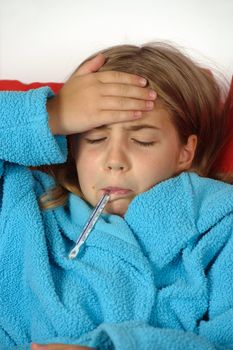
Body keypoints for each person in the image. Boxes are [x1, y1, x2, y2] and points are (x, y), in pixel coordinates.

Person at [0, 42, 233, 350]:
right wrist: (52, 114)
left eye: (143, 140)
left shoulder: (219, 220)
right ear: (72, 144)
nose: (115, 159)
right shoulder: (24, 201)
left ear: (184, 151)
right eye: (95, 138)